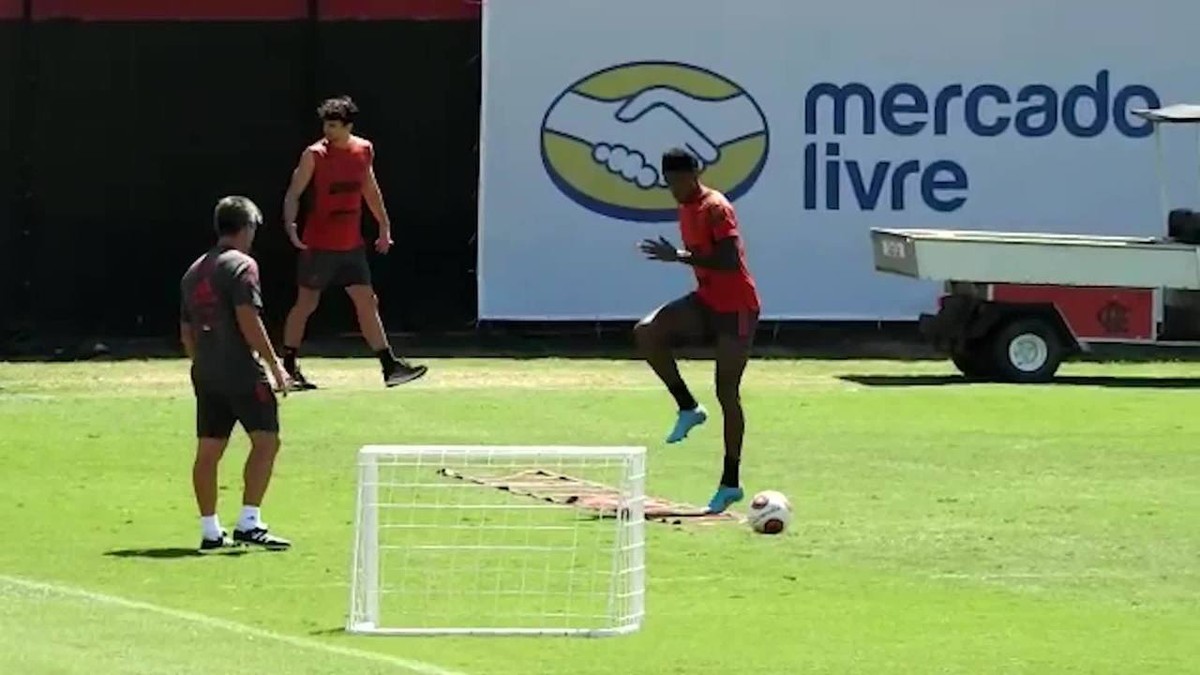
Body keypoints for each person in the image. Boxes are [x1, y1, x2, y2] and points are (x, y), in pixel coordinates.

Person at [634, 148, 762, 515]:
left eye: (680, 180)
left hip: (737, 307)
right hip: (708, 301)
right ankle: (688, 407)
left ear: (696, 174)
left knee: (727, 391)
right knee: (647, 332)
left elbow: (728, 260)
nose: (674, 188)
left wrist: (679, 256)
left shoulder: (716, 207)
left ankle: (730, 482)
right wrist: (680, 257)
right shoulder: (685, 208)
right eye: (669, 182)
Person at [280, 95, 427, 390]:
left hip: (351, 246)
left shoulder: (364, 150)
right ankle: (288, 367)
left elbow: (370, 190)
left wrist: (384, 226)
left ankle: (390, 366)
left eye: (334, 125)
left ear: (348, 126)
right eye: (326, 125)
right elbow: (294, 192)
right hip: (319, 244)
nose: (328, 131)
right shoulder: (314, 155)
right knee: (307, 303)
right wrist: (291, 225)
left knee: (367, 301)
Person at [180, 196, 293, 552]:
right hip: (241, 371)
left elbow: (187, 329)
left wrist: (201, 362)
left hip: (207, 372)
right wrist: (274, 364)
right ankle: (249, 521)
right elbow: (249, 317)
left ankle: (210, 530)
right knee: (267, 440)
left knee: (209, 450)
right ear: (246, 228)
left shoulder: (195, 270)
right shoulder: (243, 266)